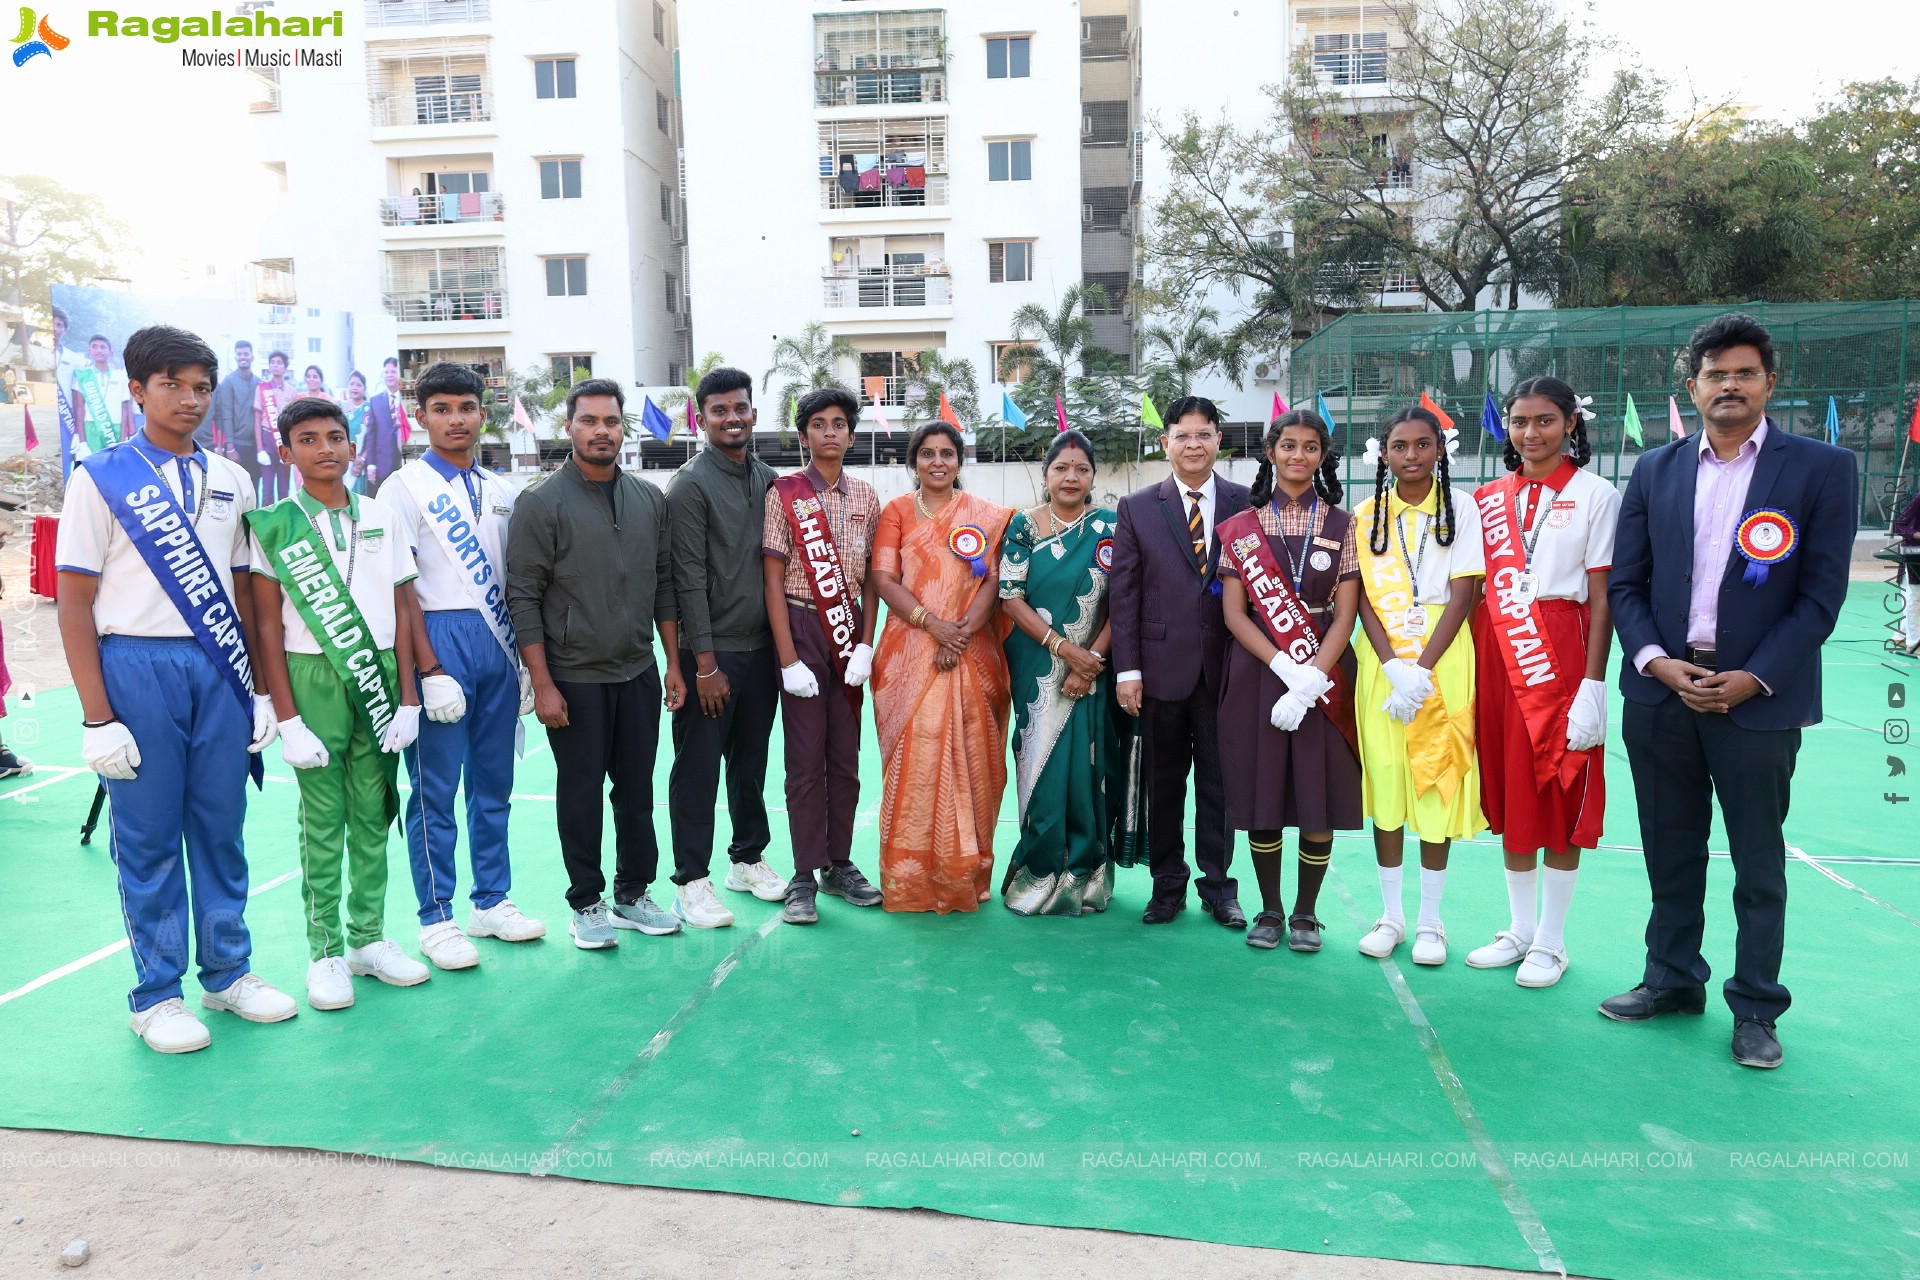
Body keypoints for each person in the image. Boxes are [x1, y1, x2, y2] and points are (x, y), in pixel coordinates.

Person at [1604, 313, 1858, 1069]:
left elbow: (1820, 597)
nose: (1730, 385)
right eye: (1715, 374)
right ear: (1694, 385)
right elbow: (1627, 584)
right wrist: (1654, 660)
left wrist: (1753, 677)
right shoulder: (1655, 469)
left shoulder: (1821, 469)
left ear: (1769, 383)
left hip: (1759, 704)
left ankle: (1755, 1007)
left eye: (1744, 373)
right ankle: (1673, 979)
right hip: (1664, 695)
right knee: (1670, 852)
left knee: (1757, 861)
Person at [55, 324, 296, 1053]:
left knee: (221, 830)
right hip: (134, 665)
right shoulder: (99, 476)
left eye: (200, 388)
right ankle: (156, 994)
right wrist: (98, 716)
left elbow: (247, 592)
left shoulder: (235, 478)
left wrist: (257, 690)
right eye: (172, 386)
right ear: (137, 390)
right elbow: (72, 600)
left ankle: (227, 974)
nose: (189, 400)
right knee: (150, 836)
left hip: (217, 668)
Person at [248, 396, 430, 1010]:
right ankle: (324, 951)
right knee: (322, 824)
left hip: (377, 671)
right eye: (308, 439)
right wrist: (285, 712)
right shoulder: (274, 523)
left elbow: (406, 608)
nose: (324, 448)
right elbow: (266, 627)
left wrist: (409, 695)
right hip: (311, 675)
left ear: (353, 446)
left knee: (374, 815)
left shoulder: (381, 514)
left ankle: (369, 939)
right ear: (286, 451)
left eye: (335, 437)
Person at [507, 378, 687, 948]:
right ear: (570, 427)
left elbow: (663, 586)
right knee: (581, 792)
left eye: (611, 421)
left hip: (638, 671)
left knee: (636, 791)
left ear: (622, 428)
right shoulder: (541, 503)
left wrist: (673, 665)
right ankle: (586, 903)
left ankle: (633, 895)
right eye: (589, 421)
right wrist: (543, 682)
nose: (601, 431)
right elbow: (524, 597)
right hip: (574, 679)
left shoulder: (648, 500)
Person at [380, 361, 545, 969]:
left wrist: (526, 664)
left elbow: (518, 581)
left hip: (497, 645)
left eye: (466, 408)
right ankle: (436, 915)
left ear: (483, 414)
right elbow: (398, 590)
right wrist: (425, 670)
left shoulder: (501, 490)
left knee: (493, 784)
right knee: (434, 788)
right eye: (441, 409)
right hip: (437, 640)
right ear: (420, 416)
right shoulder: (401, 489)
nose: (456, 420)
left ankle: (491, 900)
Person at [1465, 377, 1618, 989]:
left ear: (1571, 424)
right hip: (1499, 647)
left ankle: (1553, 942)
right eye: (1520, 422)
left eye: (1546, 421)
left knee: (1559, 787)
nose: (1532, 433)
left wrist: (1594, 685)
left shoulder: (1596, 494)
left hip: (1560, 646)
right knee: (1511, 789)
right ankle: (1520, 929)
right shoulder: (1485, 498)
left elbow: (1604, 598)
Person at [1214, 410, 1362, 953]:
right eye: (1288, 446)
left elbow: (1345, 615)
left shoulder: (1345, 525)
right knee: (1263, 789)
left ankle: (1306, 913)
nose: (1298, 456)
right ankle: (1270, 910)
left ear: (1323, 457)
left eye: (1310, 447)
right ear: (1271, 451)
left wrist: (1309, 679)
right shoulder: (1242, 527)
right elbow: (1235, 613)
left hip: (1322, 672)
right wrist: (1282, 667)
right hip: (1259, 672)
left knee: (1316, 790)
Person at [1109, 395, 1251, 928]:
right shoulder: (1138, 507)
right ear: (1165, 442)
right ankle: (1166, 885)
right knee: (1163, 785)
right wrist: (1128, 670)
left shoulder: (1245, 503)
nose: (1194, 444)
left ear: (1219, 440)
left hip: (1226, 670)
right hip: (1160, 670)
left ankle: (1219, 888)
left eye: (1204, 434)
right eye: (1183, 435)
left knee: (1220, 783)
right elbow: (1124, 594)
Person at [1351, 405, 1485, 965]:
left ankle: (1431, 923)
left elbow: (1465, 593)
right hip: (1381, 660)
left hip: (1443, 655)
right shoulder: (1363, 513)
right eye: (1399, 445)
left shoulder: (1463, 508)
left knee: (1436, 778)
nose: (1411, 455)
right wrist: (1391, 666)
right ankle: (1392, 916)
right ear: (1384, 452)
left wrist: (1422, 668)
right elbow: (1358, 594)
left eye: (1422, 445)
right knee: (1386, 779)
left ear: (1439, 449)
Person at [870, 421, 1013, 913]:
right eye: (927, 453)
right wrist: (933, 625)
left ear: (958, 461)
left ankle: (967, 874)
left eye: (947, 454)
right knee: (918, 756)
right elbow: (885, 579)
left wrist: (961, 632)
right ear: (913, 462)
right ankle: (913, 879)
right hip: (911, 652)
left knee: (975, 761)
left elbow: (993, 582)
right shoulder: (896, 513)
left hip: (972, 654)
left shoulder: (986, 517)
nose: (937, 462)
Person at [664, 367, 787, 927]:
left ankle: (748, 859)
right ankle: (691, 880)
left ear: (753, 413)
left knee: (751, 761)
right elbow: (686, 576)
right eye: (719, 410)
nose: (731, 418)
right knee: (696, 768)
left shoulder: (769, 479)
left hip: (762, 650)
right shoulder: (689, 485)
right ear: (703, 418)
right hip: (708, 656)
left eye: (740, 408)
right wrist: (705, 664)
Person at [761, 388, 882, 925]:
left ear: (851, 435)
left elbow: (875, 580)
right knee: (804, 762)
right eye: (818, 424)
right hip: (801, 626)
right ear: (805, 434)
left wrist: (866, 643)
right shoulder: (782, 494)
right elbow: (770, 580)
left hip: (847, 629)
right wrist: (787, 658)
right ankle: (803, 874)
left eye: (839, 424)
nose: (830, 432)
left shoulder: (867, 497)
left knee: (846, 759)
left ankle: (839, 864)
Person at [997, 430, 1120, 915]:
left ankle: (1083, 878)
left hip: (1092, 668)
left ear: (1093, 476)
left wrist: (1088, 663)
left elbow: (1121, 602)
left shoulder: (1110, 526)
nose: (1071, 477)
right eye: (1061, 468)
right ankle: (1039, 873)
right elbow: (1010, 596)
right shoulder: (1024, 525)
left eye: (1081, 469)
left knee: (1087, 771)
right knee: (1041, 774)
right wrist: (1064, 649)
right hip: (1036, 666)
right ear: (1046, 473)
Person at [204, 339, 261, 470]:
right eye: (239, 354)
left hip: (256, 444)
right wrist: (230, 447)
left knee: (255, 485)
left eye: (246, 354)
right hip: (237, 444)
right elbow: (226, 415)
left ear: (252, 357)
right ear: (235, 357)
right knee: (237, 485)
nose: (243, 357)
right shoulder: (228, 382)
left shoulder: (259, 383)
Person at [70, 334, 130, 456]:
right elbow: (79, 409)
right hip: (91, 427)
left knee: (112, 467)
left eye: (103, 347)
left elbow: (124, 409)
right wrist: (82, 442)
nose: (99, 350)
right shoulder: (84, 376)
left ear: (110, 352)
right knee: (92, 468)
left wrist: (123, 439)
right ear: (90, 351)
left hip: (115, 428)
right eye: (94, 347)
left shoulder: (120, 376)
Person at [356, 357, 408, 493]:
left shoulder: (409, 400)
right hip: (382, 465)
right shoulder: (376, 401)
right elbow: (371, 436)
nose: (389, 375)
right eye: (387, 372)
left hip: (406, 463)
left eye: (393, 371)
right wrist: (371, 465)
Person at [254, 351, 296, 504]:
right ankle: (268, 526)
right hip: (266, 439)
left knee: (284, 490)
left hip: (283, 441)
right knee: (267, 489)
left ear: (285, 367)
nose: (275, 365)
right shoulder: (262, 388)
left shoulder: (291, 391)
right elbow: (257, 418)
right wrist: (260, 450)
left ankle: (283, 524)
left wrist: (291, 447)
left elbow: (293, 422)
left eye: (279, 362)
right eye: (273, 362)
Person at [1893, 486, 1920, 653]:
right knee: (1914, 598)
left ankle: (1900, 636)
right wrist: (1917, 535)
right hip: (1913, 554)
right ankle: (1914, 643)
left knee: (1915, 598)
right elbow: (1899, 526)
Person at [341, 372, 371, 495]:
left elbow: (373, 438)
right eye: (352, 384)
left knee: (359, 498)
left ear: (364, 388)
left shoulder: (370, 409)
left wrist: (362, 458)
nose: (354, 387)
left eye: (358, 385)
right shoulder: (340, 408)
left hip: (361, 461)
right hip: (343, 459)